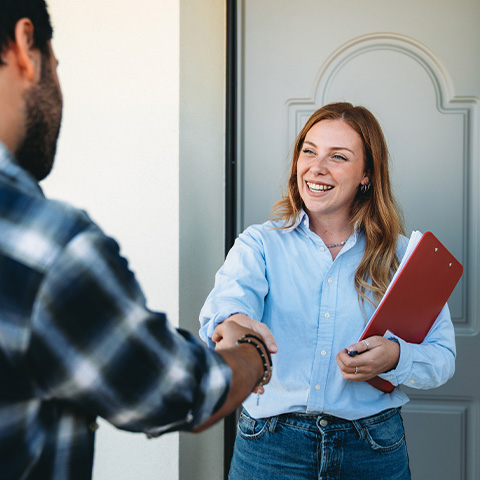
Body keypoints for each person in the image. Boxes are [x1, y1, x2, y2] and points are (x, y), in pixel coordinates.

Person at [0, 1, 274, 478]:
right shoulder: (48, 247)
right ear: (26, 45)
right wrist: (255, 355)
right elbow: (179, 391)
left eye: (339, 156)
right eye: (57, 66)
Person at [200, 102, 456, 479]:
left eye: (337, 156)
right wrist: (236, 328)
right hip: (270, 448)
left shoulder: (404, 256)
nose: (316, 168)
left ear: (366, 174)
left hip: (372, 449)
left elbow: (443, 359)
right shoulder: (260, 244)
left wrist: (395, 357)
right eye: (309, 151)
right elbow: (227, 309)